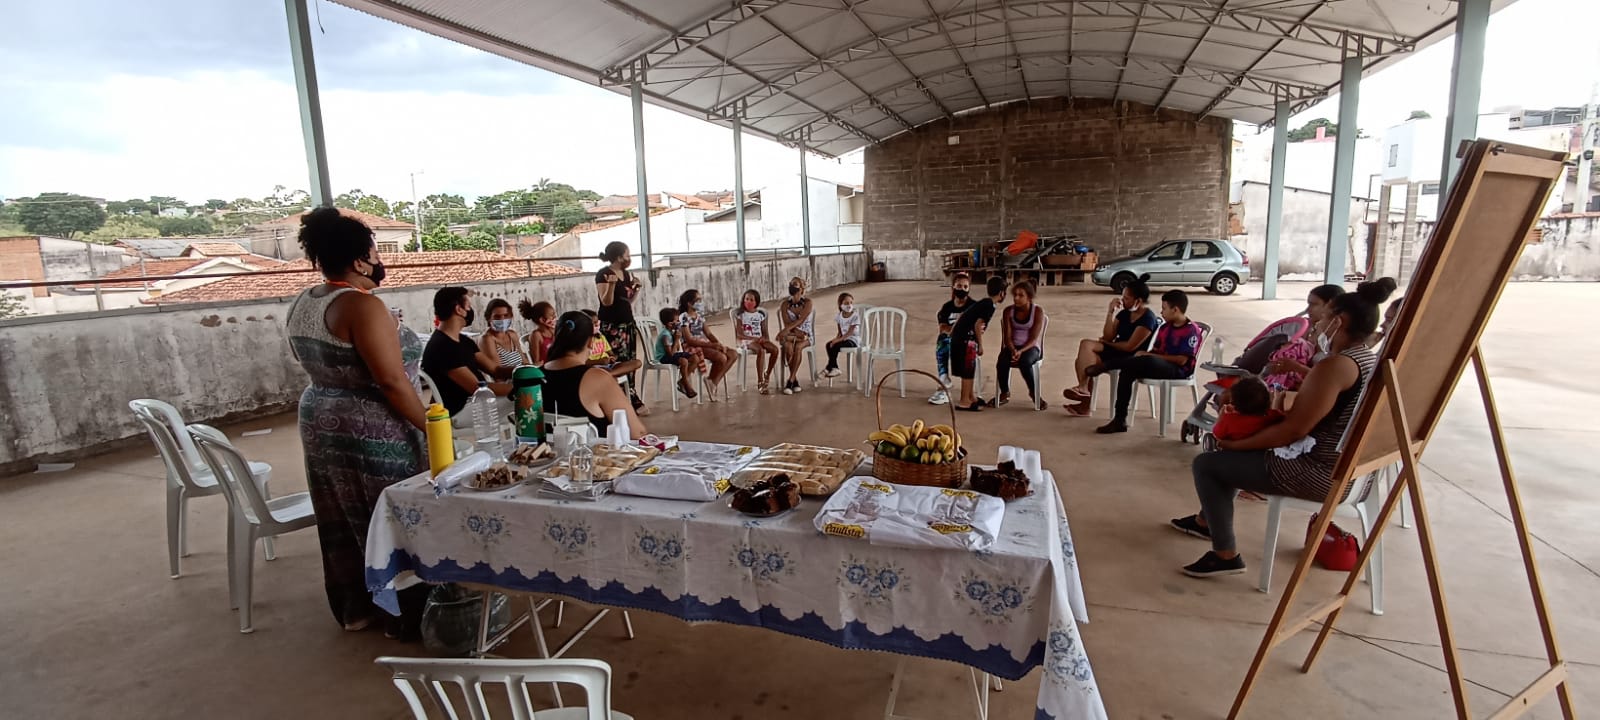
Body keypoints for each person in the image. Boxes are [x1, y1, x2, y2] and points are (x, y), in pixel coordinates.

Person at [1169, 278, 1396, 578]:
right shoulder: (1367, 360)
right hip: (1352, 475)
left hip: (1320, 473)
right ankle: (1206, 520)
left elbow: (1294, 430)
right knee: (1239, 446)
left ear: (1337, 322)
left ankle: (1225, 553)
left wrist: (1234, 445)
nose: (1317, 322)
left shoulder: (1335, 366)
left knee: (1209, 462)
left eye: (1324, 316)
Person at [283, 207, 428, 637]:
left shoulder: (306, 300)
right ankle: (402, 614)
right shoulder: (363, 306)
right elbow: (390, 381)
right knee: (389, 511)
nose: (380, 259)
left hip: (320, 415)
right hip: (371, 427)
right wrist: (433, 428)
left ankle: (356, 607)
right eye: (375, 251)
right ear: (360, 259)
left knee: (340, 513)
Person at [1095, 290, 1204, 433]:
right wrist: (1145, 355)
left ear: (1175, 310)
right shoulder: (1165, 328)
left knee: (1147, 360)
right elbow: (1157, 350)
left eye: (1164, 308)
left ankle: (1109, 365)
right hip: (1159, 364)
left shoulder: (1191, 331)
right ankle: (1119, 419)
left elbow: (1182, 360)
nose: (1161, 311)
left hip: (1178, 370)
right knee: (1128, 370)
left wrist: (1150, 356)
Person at [541, 311, 648, 438]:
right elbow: (637, 433)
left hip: (544, 454)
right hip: (591, 455)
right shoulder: (597, 379)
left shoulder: (533, 376)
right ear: (590, 342)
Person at [1061, 276, 1160, 414]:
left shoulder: (1147, 319)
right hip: (1116, 348)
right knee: (1085, 348)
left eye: (1126, 298)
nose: (1122, 300)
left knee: (1085, 361)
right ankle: (1083, 388)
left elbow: (1130, 347)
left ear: (1138, 301)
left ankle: (1085, 403)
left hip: (1131, 356)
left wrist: (1107, 343)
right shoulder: (1125, 314)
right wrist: (1110, 312)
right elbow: (1109, 335)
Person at [422, 287, 510, 417]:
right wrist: (521, 387)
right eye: (468, 306)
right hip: (462, 409)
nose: (471, 310)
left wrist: (526, 372)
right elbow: (477, 389)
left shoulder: (463, 340)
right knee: (528, 396)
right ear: (459, 310)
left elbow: (495, 370)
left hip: (476, 402)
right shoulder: (442, 347)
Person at [594, 241, 645, 413]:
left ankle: (631, 393)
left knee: (630, 360)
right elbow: (606, 302)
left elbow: (628, 302)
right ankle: (615, 396)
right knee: (616, 360)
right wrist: (612, 284)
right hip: (612, 326)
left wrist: (636, 289)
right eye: (627, 255)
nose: (628, 258)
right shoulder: (604, 274)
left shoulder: (627, 274)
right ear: (618, 256)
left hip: (627, 324)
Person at [950, 276, 1007, 412]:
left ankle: (971, 397)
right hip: (966, 340)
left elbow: (964, 316)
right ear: (1002, 293)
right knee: (968, 371)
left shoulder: (984, 302)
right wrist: (980, 345)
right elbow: (978, 324)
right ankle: (964, 401)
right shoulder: (989, 305)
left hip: (961, 338)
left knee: (969, 369)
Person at [991, 281, 1047, 408]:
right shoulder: (1008, 311)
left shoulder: (1037, 311)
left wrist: (1020, 352)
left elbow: (1033, 339)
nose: (1016, 298)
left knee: (1025, 362)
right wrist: (1012, 349)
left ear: (1029, 297)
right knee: (1002, 361)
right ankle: (1004, 392)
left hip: (1031, 347)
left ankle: (1034, 394)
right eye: (1015, 295)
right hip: (1012, 346)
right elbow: (1007, 337)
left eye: (1021, 295)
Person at [677, 289, 732, 399]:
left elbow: (708, 333)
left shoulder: (699, 316)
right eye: (698, 300)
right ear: (689, 303)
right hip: (693, 346)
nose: (700, 303)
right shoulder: (684, 317)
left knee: (733, 354)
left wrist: (718, 344)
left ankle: (713, 381)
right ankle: (707, 380)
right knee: (721, 358)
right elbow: (689, 340)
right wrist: (712, 346)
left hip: (704, 343)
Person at [929, 273, 972, 405]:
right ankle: (944, 381)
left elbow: (978, 329)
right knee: (942, 341)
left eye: (965, 286)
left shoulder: (974, 306)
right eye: (959, 286)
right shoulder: (947, 307)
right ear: (953, 287)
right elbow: (943, 328)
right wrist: (959, 326)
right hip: (950, 341)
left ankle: (966, 394)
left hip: (968, 342)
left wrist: (954, 328)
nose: (962, 289)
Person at [734, 289, 780, 393]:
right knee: (760, 350)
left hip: (759, 339)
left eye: (751, 300)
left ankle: (767, 373)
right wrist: (753, 339)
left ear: (756, 302)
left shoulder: (760, 315)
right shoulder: (741, 315)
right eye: (746, 299)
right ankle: (760, 382)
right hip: (747, 341)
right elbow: (740, 334)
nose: (748, 302)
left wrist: (764, 339)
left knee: (775, 350)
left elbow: (765, 332)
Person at [1211, 375, 1282, 442]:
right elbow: (1278, 413)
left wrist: (1221, 416)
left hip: (1235, 451)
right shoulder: (1269, 417)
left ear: (1234, 403)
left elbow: (1216, 434)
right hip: (1259, 450)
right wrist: (1277, 399)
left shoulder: (1228, 420)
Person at [776, 277, 815, 395]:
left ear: (802, 289)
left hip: (807, 335)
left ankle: (790, 381)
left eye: (795, 285)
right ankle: (795, 381)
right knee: (788, 346)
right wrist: (793, 331)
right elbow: (786, 322)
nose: (792, 286)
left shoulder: (808, 302)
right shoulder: (785, 304)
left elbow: (801, 319)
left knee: (798, 347)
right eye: (791, 284)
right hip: (793, 334)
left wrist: (785, 331)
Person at [581, 308, 644, 381]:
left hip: (608, 365)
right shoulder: (582, 342)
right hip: (594, 368)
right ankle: (610, 375)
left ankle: (609, 374)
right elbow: (583, 362)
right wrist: (599, 361)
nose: (597, 324)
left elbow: (610, 353)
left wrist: (613, 358)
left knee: (637, 363)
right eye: (594, 323)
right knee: (604, 371)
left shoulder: (601, 337)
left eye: (597, 322)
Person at [654, 307, 698, 399]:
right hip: (663, 357)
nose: (679, 322)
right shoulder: (665, 336)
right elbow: (671, 354)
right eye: (677, 320)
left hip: (672, 353)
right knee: (684, 361)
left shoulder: (672, 332)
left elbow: (677, 349)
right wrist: (676, 339)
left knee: (695, 358)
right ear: (670, 324)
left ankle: (682, 381)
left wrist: (676, 339)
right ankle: (686, 385)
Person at [478, 298, 527, 379]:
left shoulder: (512, 334)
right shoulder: (487, 339)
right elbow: (498, 374)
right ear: (489, 318)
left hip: (522, 377)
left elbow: (524, 361)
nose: (502, 319)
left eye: (506, 315)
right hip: (507, 383)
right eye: (497, 316)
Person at [822, 292, 861, 379]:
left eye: (851, 303)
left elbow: (849, 333)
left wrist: (837, 341)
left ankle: (830, 367)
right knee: (829, 345)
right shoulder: (839, 316)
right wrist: (835, 339)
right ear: (840, 305)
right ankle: (834, 367)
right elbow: (840, 332)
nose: (849, 305)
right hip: (843, 339)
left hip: (853, 340)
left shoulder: (855, 316)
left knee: (835, 345)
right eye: (846, 303)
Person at [518, 300, 557, 365]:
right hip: (546, 369)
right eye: (552, 315)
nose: (555, 317)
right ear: (542, 320)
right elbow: (537, 361)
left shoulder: (553, 331)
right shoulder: (536, 335)